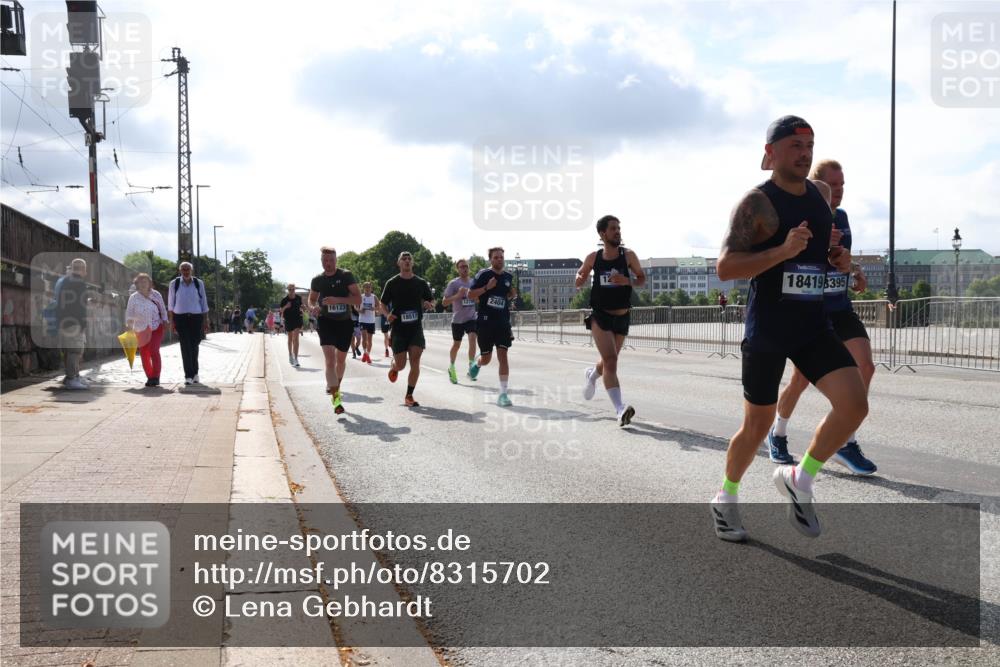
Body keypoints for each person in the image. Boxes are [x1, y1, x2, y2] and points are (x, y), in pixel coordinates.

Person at [710, 115, 867, 542]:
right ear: (771, 153)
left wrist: (838, 260)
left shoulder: (820, 194)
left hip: (812, 324)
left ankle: (800, 477)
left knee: (854, 405)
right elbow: (726, 267)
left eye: (810, 145)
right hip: (769, 328)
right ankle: (726, 497)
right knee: (756, 425)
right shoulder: (757, 203)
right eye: (795, 145)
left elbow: (820, 251)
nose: (805, 153)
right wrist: (782, 250)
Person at [768, 159, 877, 474]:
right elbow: (789, 260)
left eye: (843, 185)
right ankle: (778, 433)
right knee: (801, 379)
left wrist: (854, 271)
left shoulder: (841, 217)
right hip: (811, 310)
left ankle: (845, 439)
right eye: (834, 186)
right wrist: (817, 244)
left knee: (865, 366)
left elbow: (842, 257)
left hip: (839, 306)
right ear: (819, 187)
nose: (839, 192)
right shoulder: (802, 217)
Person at [576, 215, 646, 426]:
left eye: (619, 228)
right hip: (601, 315)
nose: (618, 231)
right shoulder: (593, 257)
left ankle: (591, 375)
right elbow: (580, 275)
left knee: (609, 360)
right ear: (602, 234)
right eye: (613, 228)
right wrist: (579, 279)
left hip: (622, 315)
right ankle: (620, 409)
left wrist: (627, 280)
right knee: (612, 361)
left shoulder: (628, 256)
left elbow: (642, 279)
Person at [309, 247, 362, 414]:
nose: (328, 264)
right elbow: (311, 299)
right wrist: (313, 307)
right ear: (321, 261)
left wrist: (337, 300)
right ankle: (336, 399)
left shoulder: (346, 276)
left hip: (344, 323)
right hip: (325, 322)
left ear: (336, 260)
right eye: (325, 260)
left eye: (331, 260)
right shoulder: (317, 280)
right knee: (330, 361)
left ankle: (335, 386)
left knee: (341, 361)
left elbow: (358, 298)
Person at [380, 251, 435, 407]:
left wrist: (429, 304)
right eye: (403, 259)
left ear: (412, 263)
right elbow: (382, 304)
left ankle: (409, 395)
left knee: (416, 360)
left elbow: (431, 300)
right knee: (402, 364)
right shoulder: (392, 283)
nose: (407, 261)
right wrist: (387, 315)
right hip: (398, 328)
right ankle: (394, 366)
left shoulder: (420, 282)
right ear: (399, 263)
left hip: (415, 328)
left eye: (409, 259)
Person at [467, 248, 517, 406]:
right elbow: (470, 294)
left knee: (503, 356)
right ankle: (478, 363)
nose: (499, 260)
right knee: (487, 358)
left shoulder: (508, 277)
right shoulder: (483, 275)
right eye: (496, 257)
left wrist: (511, 294)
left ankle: (503, 394)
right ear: (490, 259)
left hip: (502, 322)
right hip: (485, 323)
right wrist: (487, 288)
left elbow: (506, 295)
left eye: (501, 257)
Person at [167, 261, 210, 386]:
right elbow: (171, 303)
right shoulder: (174, 284)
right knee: (185, 346)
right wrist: (171, 320)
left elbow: (204, 302)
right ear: (180, 270)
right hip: (180, 317)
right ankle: (188, 375)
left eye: (188, 269)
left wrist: (206, 319)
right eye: (183, 269)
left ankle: (195, 373)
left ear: (191, 270)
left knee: (194, 345)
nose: (185, 271)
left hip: (196, 317)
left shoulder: (198, 283)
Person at [125, 273, 168, 387]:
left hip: (155, 326)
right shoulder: (133, 297)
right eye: (140, 282)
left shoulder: (156, 294)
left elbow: (163, 309)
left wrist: (165, 320)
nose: (143, 284)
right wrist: (129, 327)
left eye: (145, 281)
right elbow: (129, 313)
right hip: (140, 329)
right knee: (144, 354)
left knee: (154, 350)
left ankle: (156, 376)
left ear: (150, 283)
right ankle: (150, 377)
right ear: (137, 284)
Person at [441, 259, 478, 384]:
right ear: (458, 269)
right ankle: (451, 366)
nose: (464, 269)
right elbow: (444, 302)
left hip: (471, 317)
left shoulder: (474, 282)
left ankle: (472, 367)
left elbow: (479, 299)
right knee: (456, 345)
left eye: (466, 266)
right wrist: (458, 295)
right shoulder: (453, 284)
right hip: (457, 320)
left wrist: (474, 296)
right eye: (462, 267)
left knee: (473, 338)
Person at [57, 258, 91, 390]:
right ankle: (72, 378)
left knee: (69, 350)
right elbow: (80, 306)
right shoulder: (80, 283)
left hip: (64, 321)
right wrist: (83, 323)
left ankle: (72, 377)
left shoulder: (65, 281)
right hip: (74, 322)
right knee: (75, 351)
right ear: (83, 270)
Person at [357, 282, 381, 364]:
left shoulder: (374, 297)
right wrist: (360, 310)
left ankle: (367, 355)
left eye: (369, 287)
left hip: (371, 320)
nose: (367, 288)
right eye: (366, 287)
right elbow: (356, 307)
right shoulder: (361, 297)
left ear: (371, 288)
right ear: (364, 288)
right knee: (364, 338)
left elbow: (379, 307)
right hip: (363, 320)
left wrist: (373, 308)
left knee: (370, 340)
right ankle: (365, 352)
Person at [280, 284, 304, 366]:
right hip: (288, 320)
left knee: (296, 339)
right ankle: (290, 354)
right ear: (288, 290)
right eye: (290, 289)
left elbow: (301, 306)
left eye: (293, 289)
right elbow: (281, 310)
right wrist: (286, 306)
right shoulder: (284, 299)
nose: (291, 291)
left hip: (297, 319)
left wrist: (303, 308)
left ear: (295, 290)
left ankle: (296, 358)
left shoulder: (298, 298)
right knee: (290, 339)